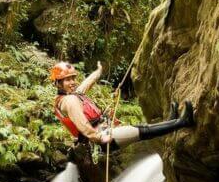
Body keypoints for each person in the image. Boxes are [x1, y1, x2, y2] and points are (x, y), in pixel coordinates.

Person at [50, 61, 193, 148]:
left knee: (142, 129)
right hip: (103, 139)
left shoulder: (72, 95)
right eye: (67, 80)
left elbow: (86, 85)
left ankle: (172, 122)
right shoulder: (69, 101)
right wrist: (99, 138)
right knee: (142, 130)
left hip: (104, 131)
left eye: (73, 78)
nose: (73, 82)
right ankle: (183, 122)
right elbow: (83, 127)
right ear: (58, 83)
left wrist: (98, 72)